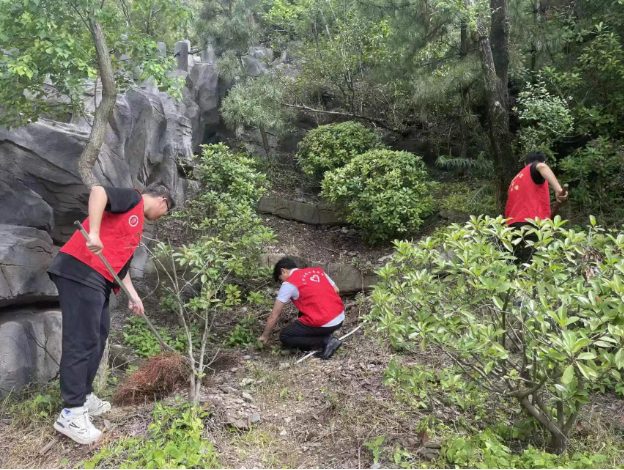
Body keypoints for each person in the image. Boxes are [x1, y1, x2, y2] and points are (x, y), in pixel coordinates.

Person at [48, 183, 174, 445]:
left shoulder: (136, 228)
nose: (163, 217)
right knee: (81, 340)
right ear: (163, 201)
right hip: (81, 270)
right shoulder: (132, 199)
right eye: (167, 212)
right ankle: (71, 413)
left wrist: (134, 296)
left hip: (99, 279)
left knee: (98, 336)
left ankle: (83, 396)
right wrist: (93, 233)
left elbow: (120, 266)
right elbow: (98, 191)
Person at [258, 258, 344, 360]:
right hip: (339, 317)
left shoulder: (289, 283)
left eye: (281, 279)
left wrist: (265, 335)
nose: (282, 282)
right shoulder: (317, 271)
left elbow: (274, 315)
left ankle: (326, 341)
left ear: (283, 271)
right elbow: (336, 290)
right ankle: (324, 333)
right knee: (303, 311)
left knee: (286, 336)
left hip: (325, 322)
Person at [505, 150, 568, 263]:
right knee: (533, 264)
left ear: (524, 163)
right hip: (531, 223)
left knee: (518, 263)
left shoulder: (516, 179)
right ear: (543, 161)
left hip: (512, 226)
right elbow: (542, 167)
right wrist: (558, 190)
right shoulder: (533, 168)